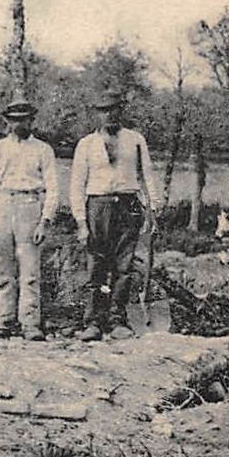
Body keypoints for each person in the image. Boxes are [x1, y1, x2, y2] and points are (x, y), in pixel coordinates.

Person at [70, 90, 160, 341]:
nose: (109, 115)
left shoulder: (136, 140)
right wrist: (81, 222)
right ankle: (93, 322)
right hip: (98, 206)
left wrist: (153, 210)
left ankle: (117, 320)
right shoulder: (86, 145)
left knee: (124, 266)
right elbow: (77, 185)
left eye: (113, 109)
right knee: (96, 266)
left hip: (128, 205)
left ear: (121, 111)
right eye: (103, 110)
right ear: (97, 114)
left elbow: (147, 177)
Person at [0, 99, 59, 341]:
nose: (19, 123)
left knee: (30, 269)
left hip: (29, 205)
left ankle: (30, 323)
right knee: (2, 268)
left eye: (24, 118)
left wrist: (45, 220)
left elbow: (52, 188)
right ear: (7, 122)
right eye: (14, 119)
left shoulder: (43, 150)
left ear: (32, 120)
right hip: (1, 204)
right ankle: (2, 321)